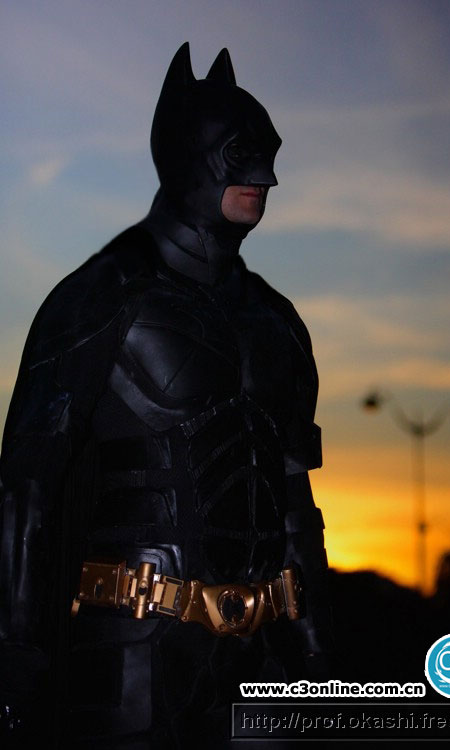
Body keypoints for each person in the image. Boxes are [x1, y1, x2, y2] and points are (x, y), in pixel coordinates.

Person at [0, 43, 332, 748]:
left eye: (269, 156)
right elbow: (25, 493)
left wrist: (313, 654)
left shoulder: (276, 322)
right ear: (188, 155)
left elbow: (294, 500)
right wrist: (13, 664)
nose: (266, 178)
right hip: (129, 662)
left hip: (258, 666)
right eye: (240, 155)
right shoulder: (100, 297)